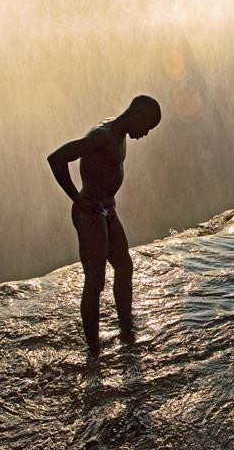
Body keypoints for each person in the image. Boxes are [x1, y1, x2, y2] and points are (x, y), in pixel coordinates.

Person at [47, 95, 161, 357]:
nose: (144, 134)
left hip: (108, 209)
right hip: (90, 212)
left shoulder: (119, 135)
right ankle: (93, 350)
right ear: (136, 116)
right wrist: (76, 198)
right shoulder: (103, 136)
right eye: (146, 127)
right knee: (95, 280)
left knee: (124, 266)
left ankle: (125, 329)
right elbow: (57, 158)